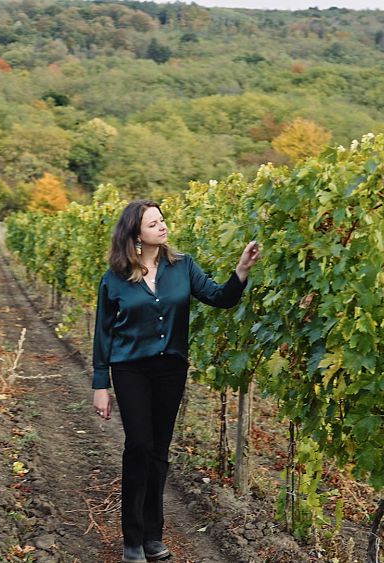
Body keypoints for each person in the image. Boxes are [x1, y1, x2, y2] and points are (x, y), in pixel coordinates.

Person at [91, 200, 260, 563]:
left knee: (158, 451)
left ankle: (153, 535)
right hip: (130, 368)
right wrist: (99, 383)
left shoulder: (182, 266)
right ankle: (132, 538)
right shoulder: (115, 278)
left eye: (163, 220)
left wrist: (241, 271)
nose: (163, 227)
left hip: (171, 369)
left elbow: (219, 298)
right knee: (138, 445)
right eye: (153, 224)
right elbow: (102, 333)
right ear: (136, 234)